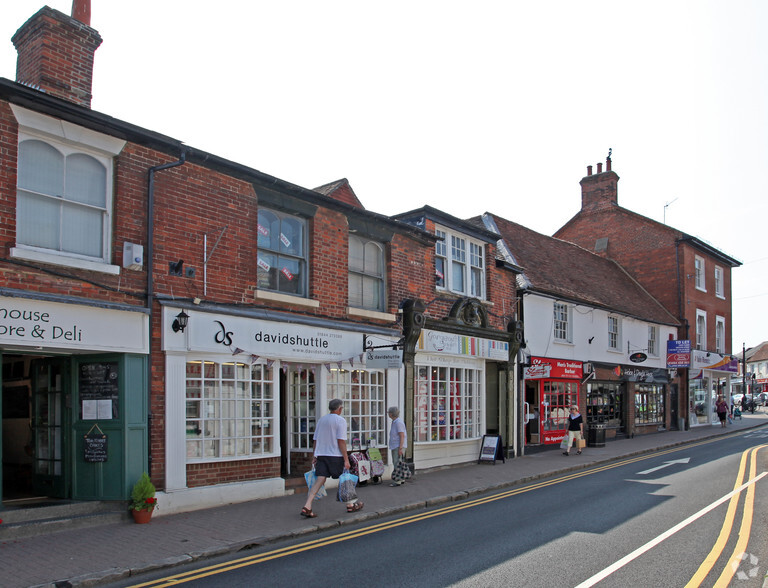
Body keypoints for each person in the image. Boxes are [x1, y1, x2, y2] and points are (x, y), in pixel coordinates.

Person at [301, 399, 363, 518]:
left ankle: (307, 506)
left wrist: (314, 455)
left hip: (322, 455)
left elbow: (315, 440)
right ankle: (350, 505)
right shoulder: (341, 421)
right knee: (345, 478)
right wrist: (346, 459)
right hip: (335, 455)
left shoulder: (321, 420)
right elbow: (341, 441)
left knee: (320, 480)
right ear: (340, 409)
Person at [387, 406, 407, 486]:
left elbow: (402, 435)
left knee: (396, 463)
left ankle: (397, 481)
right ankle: (401, 478)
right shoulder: (395, 421)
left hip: (397, 446)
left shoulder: (398, 422)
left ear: (391, 414)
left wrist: (400, 448)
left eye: (389, 412)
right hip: (396, 446)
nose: (388, 414)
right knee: (399, 463)